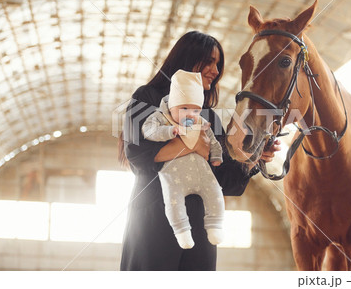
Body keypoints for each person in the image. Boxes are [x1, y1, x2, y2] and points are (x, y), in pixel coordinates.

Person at [118, 31, 281, 271]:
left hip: (199, 222)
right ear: (187, 58)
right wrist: (193, 144)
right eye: (209, 61)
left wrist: (253, 158)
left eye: (218, 64)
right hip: (153, 216)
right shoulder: (147, 97)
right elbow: (137, 155)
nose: (216, 71)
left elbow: (226, 179)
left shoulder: (209, 116)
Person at [141, 69, 225, 249]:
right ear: (171, 106)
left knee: (215, 191)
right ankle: (181, 231)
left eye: (195, 110)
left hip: (202, 172)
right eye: (184, 108)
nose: (190, 115)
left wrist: (216, 156)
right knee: (173, 201)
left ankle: (215, 224)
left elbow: (214, 142)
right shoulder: (162, 118)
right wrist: (169, 131)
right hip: (174, 175)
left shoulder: (200, 122)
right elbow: (148, 130)